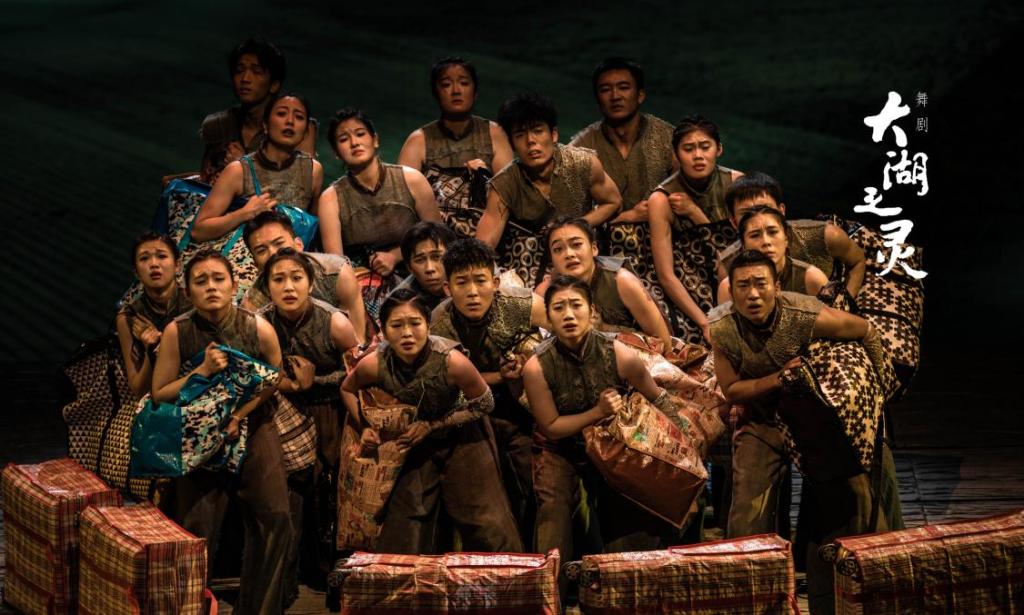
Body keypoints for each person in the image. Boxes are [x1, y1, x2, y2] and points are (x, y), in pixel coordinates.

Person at [709, 249, 894, 614]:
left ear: (777, 287)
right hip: (762, 418)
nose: (752, 294)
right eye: (742, 286)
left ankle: (857, 594)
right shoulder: (723, 328)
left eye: (761, 284)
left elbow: (865, 330)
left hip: (815, 418)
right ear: (732, 292)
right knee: (746, 509)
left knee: (850, 498)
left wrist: (879, 393)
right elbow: (731, 390)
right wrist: (777, 378)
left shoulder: (804, 314)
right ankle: (749, 600)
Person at [151, 249, 291, 615]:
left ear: (233, 285)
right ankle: (191, 608)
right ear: (188, 291)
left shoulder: (257, 327)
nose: (211, 287)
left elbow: (273, 378)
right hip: (200, 435)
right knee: (195, 527)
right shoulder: (178, 331)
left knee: (275, 516)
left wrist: (240, 415)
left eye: (218, 279)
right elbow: (160, 393)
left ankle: (259, 608)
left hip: (253, 425)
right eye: (201, 281)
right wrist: (201, 373)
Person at [341, 289, 523, 554]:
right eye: (396, 325)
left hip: (462, 432)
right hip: (413, 442)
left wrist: (433, 425)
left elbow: (485, 402)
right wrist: (364, 426)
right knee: (404, 529)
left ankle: (509, 579)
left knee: (487, 522)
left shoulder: (451, 361)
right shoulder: (375, 364)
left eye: (415, 323)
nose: (407, 333)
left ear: (428, 324)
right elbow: (347, 389)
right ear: (384, 330)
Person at [522, 276, 673, 565]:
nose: (568, 315)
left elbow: (658, 397)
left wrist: (685, 439)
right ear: (548, 318)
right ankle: (551, 587)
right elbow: (551, 427)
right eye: (558, 308)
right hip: (560, 450)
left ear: (592, 311)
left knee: (628, 525)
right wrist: (598, 412)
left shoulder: (619, 354)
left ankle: (622, 582)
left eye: (576, 305)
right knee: (553, 517)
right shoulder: (536, 366)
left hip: (614, 445)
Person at [429, 238, 549, 542]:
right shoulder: (440, 323)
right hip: (470, 413)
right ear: (447, 288)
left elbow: (561, 338)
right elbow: (447, 383)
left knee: (530, 482)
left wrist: (529, 361)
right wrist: (499, 376)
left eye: (480, 281)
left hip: (524, 406)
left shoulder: (524, 304)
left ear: (495, 283)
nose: (472, 292)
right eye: (462, 283)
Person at [257, 248, 359, 600]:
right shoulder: (261, 323)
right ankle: (284, 583)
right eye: (279, 279)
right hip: (282, 411)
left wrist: (315, 381)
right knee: (289, 496)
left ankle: (334, 578)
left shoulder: (334, 322)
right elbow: (257, 373)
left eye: (296, 278)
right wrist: (289, 385)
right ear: (267, 287)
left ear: (311, 284)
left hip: (330, 410)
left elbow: (358, 373)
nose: (289, 287)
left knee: (330, 493)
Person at [476, 93, 622, 286]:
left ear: (553, 135)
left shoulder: (583, 164)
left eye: (538, 131)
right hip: (527, 264)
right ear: (512, 144)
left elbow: (613, 201)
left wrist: (578, 224)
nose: (530, 141)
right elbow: (483, 246)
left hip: (578, 256)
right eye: (520, 135)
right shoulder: (505, 184)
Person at [317, 108, 442, 320]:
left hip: (417, 269)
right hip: (363, 282)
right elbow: (336, 267)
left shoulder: (411, 180)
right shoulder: (331, 199)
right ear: (336, 153)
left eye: (360, 134)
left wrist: (395, 256)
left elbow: (438, 236)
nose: (354, 142)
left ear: (375, 140)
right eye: (344, 139)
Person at [648, 115, 743, 342]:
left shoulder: (736, 184)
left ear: (719, 149)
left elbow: (744, 245)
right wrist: (704, 323)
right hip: (688, 281)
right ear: (676, 154)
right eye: (688, 149)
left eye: (705, 147)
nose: (698, 155)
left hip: (735, 273)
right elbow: (665, 274)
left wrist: (694, 213)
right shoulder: (661, 199)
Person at [397, 57, 514, 233]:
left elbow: (509, 195)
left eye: (464, 83)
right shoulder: (418, 141)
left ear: (475, 91)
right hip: (435, 234)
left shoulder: (495, 135)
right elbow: (403, 203)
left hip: (487, 231)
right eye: (446, 84)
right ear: (436, 93)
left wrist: (482, 178)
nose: (456, 91)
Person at [192, 92, 324, 243]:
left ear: (305, 132)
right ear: (265, 125)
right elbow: (198, 231)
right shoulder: (239, 171)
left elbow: (315, 230)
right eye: (281, 114)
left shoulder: (313, 170)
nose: (290, 121)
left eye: (299, 117)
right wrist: (243, 214)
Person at [717, 172, 867, 297]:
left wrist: (846, 303)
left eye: (766, 209)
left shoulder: (824, 236)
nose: (758, 217)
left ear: (781, 211)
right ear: (734, 222)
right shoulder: (728, 265)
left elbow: (857, 261)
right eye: (746, 214)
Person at [536, 216, 672, 351]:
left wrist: (604, 329)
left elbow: (663, 343)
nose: (569, 254)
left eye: (576, 244)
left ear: (594, 249)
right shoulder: (545, 292)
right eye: (558, 249)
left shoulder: (622, 282)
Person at [199, 37, 318, 184]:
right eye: (239, 71)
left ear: (274, 85)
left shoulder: (296, 127)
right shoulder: (219, 124)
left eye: (257, 72)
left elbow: (302, 187)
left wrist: (243, 168)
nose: (245, 78)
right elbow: (205, 177)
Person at [241, 210, 369, 343]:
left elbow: (359, 340)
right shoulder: (253, 305)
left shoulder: (336, 272)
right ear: (255, 264)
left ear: (299, 245)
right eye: (261, 250)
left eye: (279, 243)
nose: (273, 253)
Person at [116, 232, 192, 397]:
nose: (154, 264)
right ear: (136, 272)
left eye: (162, 256)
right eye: (144, 258)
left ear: (177, 265)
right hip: (160, 399)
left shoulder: (195, 302)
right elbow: (138, 389)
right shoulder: (128, 317)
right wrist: (150, 351)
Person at [717, 207, 829, 303]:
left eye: (773, 232)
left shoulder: (812, 279)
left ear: (786, 239)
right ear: (743, 246)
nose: (766, 241)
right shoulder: (729, 288)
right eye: (755, 235)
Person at [392, 221, 457, 310]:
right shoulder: (399, 305)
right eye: (420, 260)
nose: (429, 268)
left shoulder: (472, 284)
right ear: (409, 267)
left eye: (437, 257)